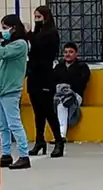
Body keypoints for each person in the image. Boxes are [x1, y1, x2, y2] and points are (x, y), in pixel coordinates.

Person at [0, 15, 31, 169]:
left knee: (14, 123)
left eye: (5, 27)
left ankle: (24, 155)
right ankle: (6, 154)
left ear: (14, 28)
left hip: (10, 89)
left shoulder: (21, 44)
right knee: (1, 125)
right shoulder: (5, 43)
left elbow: (2, 53)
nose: (3, 31)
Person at [27, 6, 65, 158]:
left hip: (46, 76)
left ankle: (58, 141)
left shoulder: (51, 33)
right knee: (37, 111)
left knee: (48, 110)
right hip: (34, 75)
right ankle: (39, 140)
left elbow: (40, 47)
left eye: (39, 17)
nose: (37, 20)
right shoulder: (37, 33)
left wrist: (29, 34)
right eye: (35, 17)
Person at [52, 42, 91, 141]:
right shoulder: (58, 67)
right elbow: (53, 82)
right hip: (60, 95)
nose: (67, 54)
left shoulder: (82, 67)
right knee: (61, 101)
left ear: (76, 54)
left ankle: (60, 135)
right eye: (65, 52)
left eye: (70, 52)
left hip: (76, 96)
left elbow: (81, 83)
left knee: (64, 101)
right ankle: (61, 135)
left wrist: (67, 86)